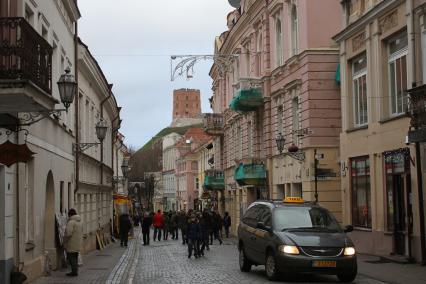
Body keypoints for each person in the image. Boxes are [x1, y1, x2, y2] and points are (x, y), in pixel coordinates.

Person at [63, 208, 83, 277]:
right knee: (75, 257)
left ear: (70, 214)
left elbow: (68, 233)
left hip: (71, 243)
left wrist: (64, 240)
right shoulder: (79, 221)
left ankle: (74, 272)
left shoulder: (71, 222)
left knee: (71, 258)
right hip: (78, 243)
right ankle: (75, 271)